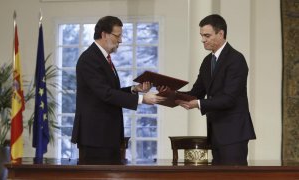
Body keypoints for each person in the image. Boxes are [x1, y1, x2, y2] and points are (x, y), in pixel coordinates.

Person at [71, 16, 165, 164]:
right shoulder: (89, 59)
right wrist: (142, 99)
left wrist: (134, 89)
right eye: (117, 35)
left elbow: (110, 91)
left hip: (107, 135)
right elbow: (105, 94)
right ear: (104, 34)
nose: (120, 40)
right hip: (95, 137)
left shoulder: (103, 58)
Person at [171, 14, 256, 165]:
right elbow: (195, 93)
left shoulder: (236, 59)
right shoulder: (207, 61)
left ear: (221, 33)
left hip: (234, 134)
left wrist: (198, 104)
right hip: (215, 132)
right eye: (201, 35)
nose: (203, 39)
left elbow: (229, 98)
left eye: (207, 35)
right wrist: (170, 94)